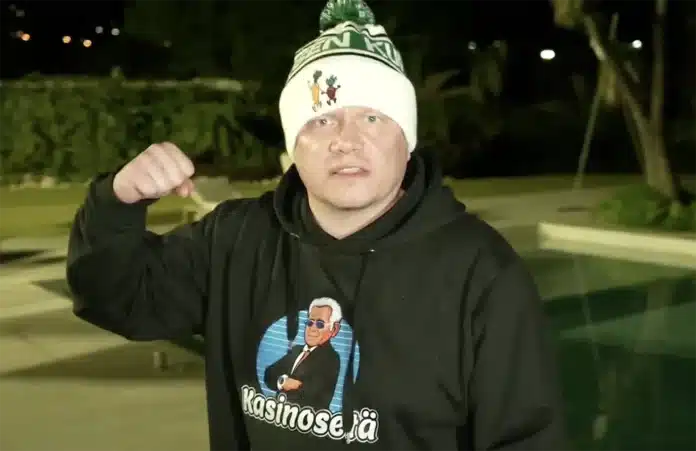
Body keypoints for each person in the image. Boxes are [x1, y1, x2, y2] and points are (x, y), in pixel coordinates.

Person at [66, 0, 568, 449]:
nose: (346, 140)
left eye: (372, 118)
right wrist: (117, 201)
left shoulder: (482, 274)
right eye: (321, 120)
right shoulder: (234, 241)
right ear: (293, 145)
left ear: (407, 139)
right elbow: (114, 297)